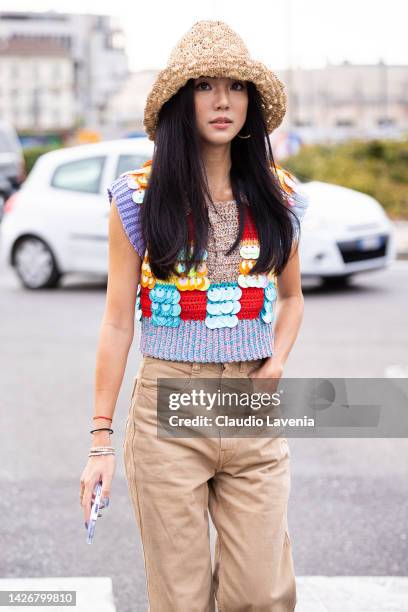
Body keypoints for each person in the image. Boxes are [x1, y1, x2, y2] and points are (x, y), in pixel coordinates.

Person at [80, 19, 309, 611]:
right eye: (206, 85)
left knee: (260, 593)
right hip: (168, 409)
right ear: (183, 100)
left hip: (251, 404)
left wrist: (277, 359)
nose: (224, 100)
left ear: (251, 103)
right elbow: (115, 322)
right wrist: (100, 442)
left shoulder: (281, 196)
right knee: (180, 598)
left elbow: (291, 299)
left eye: (236, 86)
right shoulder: (137, 198)